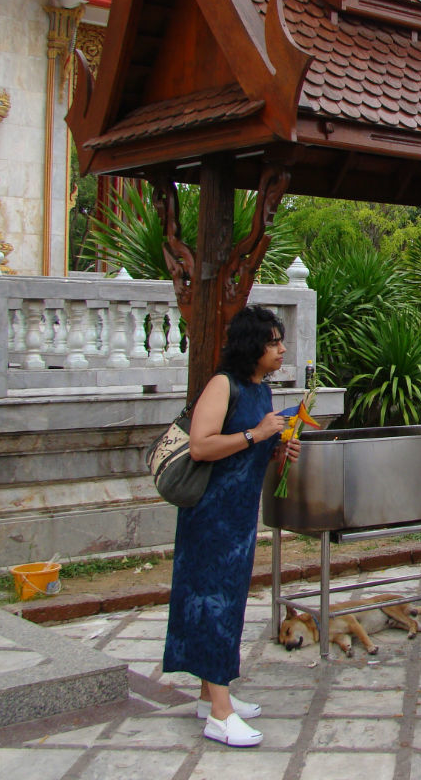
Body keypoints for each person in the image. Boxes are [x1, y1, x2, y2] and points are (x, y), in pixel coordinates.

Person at [163, 304, 301, 748]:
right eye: (273, 342)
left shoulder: (260, 389)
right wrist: (256, 436)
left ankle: (211, 695)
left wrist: (277, 451)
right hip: (210, 516)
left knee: (229, 602)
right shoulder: (224, 385)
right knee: (213, 604)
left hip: (239, 518)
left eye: (280, 341)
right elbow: (201, 446)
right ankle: (220, 715)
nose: (281, 349)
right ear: (251, 346)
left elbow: (251, 452)